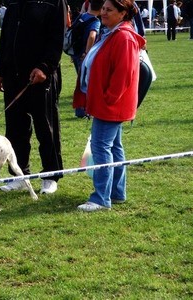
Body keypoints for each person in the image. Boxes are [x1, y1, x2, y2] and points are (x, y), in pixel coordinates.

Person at [77, 0, 145, 212]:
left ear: (122, 13)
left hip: (110, 105)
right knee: (114, 147)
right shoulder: (113, 32)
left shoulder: (123, 36)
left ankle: (101, 198)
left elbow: (124, 74)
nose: (103, 13)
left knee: (101, 147)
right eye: (103, 9)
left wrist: (108, 100)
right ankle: (116, 193)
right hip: (107, 103)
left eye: (109, 10)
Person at [0, 0, 67, 194]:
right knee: (15, 128)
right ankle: (19, 175)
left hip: (41, 76)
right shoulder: (14, 4)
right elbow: (6, 37)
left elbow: (57, 37)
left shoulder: (55, 2)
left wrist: (45, 66)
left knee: (46, 126)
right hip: (12, 75)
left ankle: (51, 175)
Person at [71, 0, 102, 118]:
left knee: (80, 82)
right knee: (87, 82)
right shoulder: (95, 21)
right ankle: (83, 110)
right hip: (84, 55)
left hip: (76, 54)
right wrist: (87, 53)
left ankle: (80, 110)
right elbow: (92, 36)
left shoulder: (81, 16)